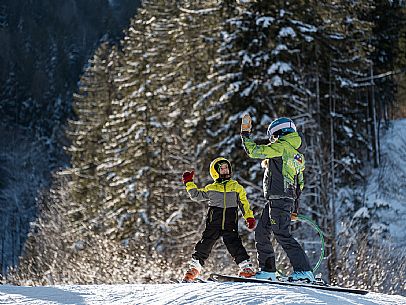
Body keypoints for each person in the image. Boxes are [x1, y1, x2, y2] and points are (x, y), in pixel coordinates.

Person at [240, 114, 315, 282]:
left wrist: (245, 135)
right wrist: (294, 208)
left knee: (282, 233)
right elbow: (299, 183)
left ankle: (304, 272)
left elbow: (254, 151)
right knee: (261, 232)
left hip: (280, 197)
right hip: (280, 199)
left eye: (273, 137)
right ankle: (267, 271)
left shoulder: (282, 147)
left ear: (279, 133)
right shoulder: (296, 155)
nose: (272, 141)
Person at [181, 157, 257, 282]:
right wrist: (189, 182)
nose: (225, 170)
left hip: (230, 222)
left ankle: (246, 268)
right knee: (204, 244)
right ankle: (193, 269)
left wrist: (249, 217)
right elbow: (196, 196)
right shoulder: (211, 188)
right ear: (216, 171)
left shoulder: (236, 187)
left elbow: (244, 203)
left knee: (235, 245)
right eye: (221, 168)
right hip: (213, 223)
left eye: (226, 167)